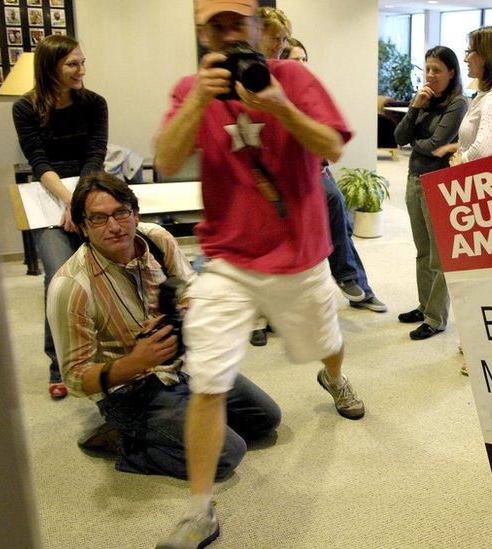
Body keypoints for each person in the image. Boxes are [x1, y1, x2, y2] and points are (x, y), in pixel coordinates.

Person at [153, 1, 366, 547]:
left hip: (299, 255)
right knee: (207, 377)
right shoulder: (190, 89)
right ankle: (200, 510)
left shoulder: (292, 76)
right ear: (203, 35)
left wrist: (280, 107)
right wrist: (200, 98)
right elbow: (167, 161)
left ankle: (335, 378)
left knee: (328, 342)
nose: (227, 35)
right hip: (226, 259)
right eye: (214, 27)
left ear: (256, 28)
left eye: (236, 23)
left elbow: (333, 145)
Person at [46, 172, 281, 480]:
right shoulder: (71, 287)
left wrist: (184, 312)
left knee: (265, 418)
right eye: (99, 219)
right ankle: (126, 440)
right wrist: (136, 362)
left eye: (121, 213)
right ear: (83, 226)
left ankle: (177, 426)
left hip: (183, 366)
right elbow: (76, 380)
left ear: (135, 213)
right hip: (129, 391)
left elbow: (193, 293)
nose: (114, 227)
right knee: (226, 454)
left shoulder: (157, 240)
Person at [262, 9, 387, 316]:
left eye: (304, 60)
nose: (300, 66)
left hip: (313, 168)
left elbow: (328, 141)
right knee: (329, 204)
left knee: (339, 217)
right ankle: (345, 280)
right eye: (294, 58)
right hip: (275, 176)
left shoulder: (303, 89)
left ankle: (353, 282)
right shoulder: (260, 87)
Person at [12, 34, 107, 399]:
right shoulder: (25, 108)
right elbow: (38, 161)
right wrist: (69, 201)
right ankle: (59, 365)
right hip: (50, 196)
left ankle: (103, 354)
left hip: (89, 190)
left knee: (102, 271)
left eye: (82, 62)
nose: (81, 70)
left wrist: (80, 202)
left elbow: (95, 154)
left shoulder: (95, 103)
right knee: (58, 276)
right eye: (73, 64)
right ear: (51, 67)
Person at [422, 26, 492, 347]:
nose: (466, 57)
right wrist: (459, 154)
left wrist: (458, 157)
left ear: (487, 56)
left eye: (471, 51)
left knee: (483, 278)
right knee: (474, 275)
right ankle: (477, 344)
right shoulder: (484, 96)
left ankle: (482, 346)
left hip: (487, 195)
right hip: (476, 191)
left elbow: (482, 148)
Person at [393, 46, 468, 341]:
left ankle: (436, 318)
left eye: (437, 69)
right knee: (422, 251)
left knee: (439, 257)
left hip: (438, 185)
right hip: (414, 180)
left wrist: (416, 141)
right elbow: (399, 138)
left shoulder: (458, 103)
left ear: (451, 72)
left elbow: (438, 143)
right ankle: (425, 307)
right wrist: (414, 107)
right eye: (428, 69)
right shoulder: (424, 100)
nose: (431, 75)